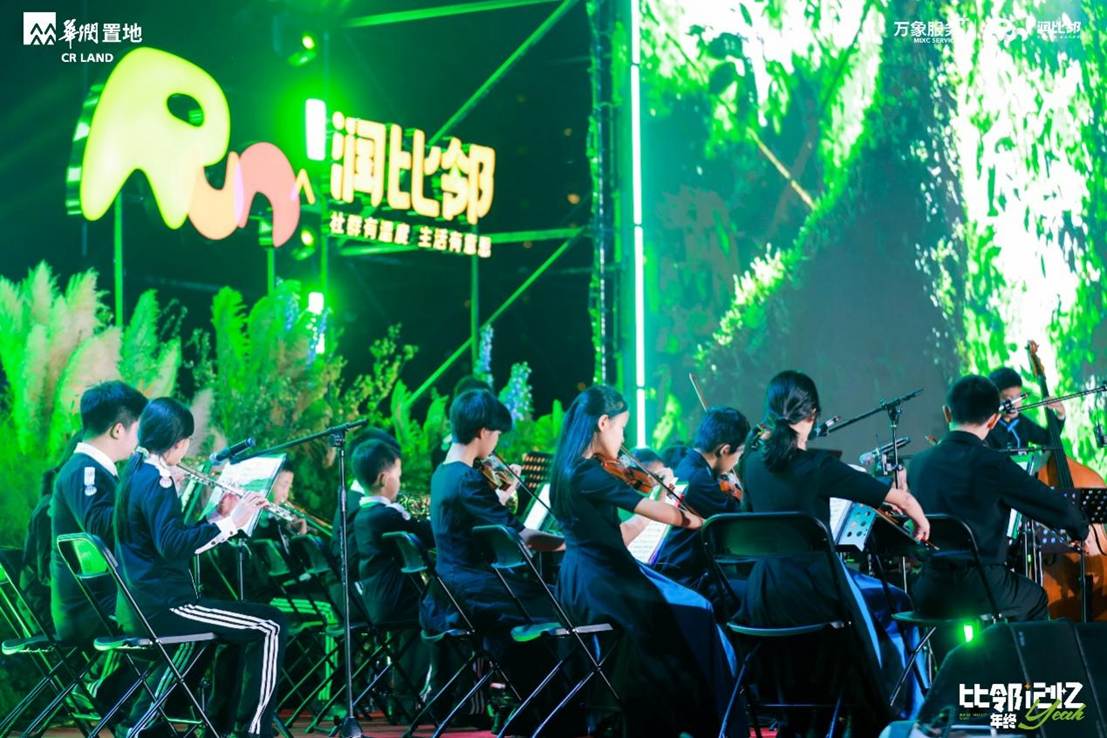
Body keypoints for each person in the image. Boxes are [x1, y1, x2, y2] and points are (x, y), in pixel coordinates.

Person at [740, 371, 930, 728]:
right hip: (817, 595)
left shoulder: (750, 465)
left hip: (764, 595)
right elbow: (899, 499)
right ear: (812, 415)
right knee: (895, 601)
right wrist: (919, 519)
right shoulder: (818, 467)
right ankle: (902, 713)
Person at [550, 384, 740, 738]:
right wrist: (696, 520)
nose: (623, 438)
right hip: (607, 586)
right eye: (622, 427)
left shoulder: (565, 469)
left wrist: (659, 495)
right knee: (697, 611)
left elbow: (610, 533)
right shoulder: (589, 473)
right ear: (603, 423)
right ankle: (709, 723)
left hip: (580, 581)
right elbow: (653, 510)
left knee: (687, 610)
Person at [114, 398, 288, 738]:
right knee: (271, 624)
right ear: (178, 443)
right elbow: (173, 546)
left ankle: (217, 728)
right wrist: (233, 522)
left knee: (239, 630)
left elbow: (167, 540)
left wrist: (217, 517)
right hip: (166, 604)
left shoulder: (135, 473)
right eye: (187, 442)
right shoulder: (159, 481)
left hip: (142, 604)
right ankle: (254, 732)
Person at [423, 389, 565, 731]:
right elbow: (521, 536)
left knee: (533, 605)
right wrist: (570, 544)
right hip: (473, 590)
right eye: (497, 434)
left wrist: (500, 497)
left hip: (448, 588)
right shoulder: (468, 478)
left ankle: (525, 710)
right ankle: (549, 714)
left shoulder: (443, 474)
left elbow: (475, 518)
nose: (497, 442)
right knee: (559, 604)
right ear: (483, 431)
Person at [908, 374, 1088, 621]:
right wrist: (1081, 531)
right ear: (993, 420)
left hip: (929, 589)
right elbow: (1055, 507)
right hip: (982, 587)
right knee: (1035, 598)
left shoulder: (918, 463)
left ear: (947, 413)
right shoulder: (994, 464)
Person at [50, 381, 147, 642]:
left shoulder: (93, 469)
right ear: (118, 430)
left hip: (103, 600)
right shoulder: (85, 471)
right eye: (140, 429)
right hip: (90, 608)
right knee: (185, 614)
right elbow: (101, 528)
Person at [351, 439, 434, 712]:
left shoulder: (364, 515)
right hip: (397, 602)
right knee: (442, 612)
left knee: (418, 624)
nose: (400, 481)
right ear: (385, 479)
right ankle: (420, 699)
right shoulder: (386, 516)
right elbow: (429, 536)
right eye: (398, 475)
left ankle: (403, 701)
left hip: (379, 601)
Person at [652, 406, 750, 617]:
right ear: (724, 450)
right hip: (689, 581)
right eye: (739, 454)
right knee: (758, 594)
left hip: (689, 573)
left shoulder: (688, 465)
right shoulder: (698, 480)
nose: (738, 461)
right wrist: (742, 494)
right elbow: (741, 523)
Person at [985, 366, 1065, 450]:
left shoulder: (1021, 422)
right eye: (1008, 399)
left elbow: (1048, 439)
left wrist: (1060, 414)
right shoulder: (985, 426)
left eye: (1018, 396)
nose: (1015, 404)